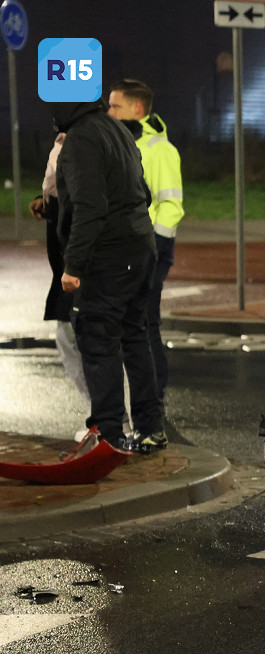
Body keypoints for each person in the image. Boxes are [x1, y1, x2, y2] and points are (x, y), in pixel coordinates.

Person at [50, 100, 166, 454]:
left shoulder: (81, 139)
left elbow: (91, 207)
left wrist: (73, 266)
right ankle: (150, 429)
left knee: (98, 341)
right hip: (140, 247)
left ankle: (109, 437)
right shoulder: (115, 128)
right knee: (134, 336)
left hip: (110, 256)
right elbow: (141, 193)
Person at [107, 78, 184, 401]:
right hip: (125, 250)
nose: (109, 112)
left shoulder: (160, 150)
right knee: (131, 325)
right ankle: (142, 395)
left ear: (136, 109)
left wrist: (155, 248)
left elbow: (170, 205)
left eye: (115, 106)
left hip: (148, 249)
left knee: (144, 323)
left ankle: (153, 394)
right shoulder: (124, 143)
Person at [29, 134, 91, 430]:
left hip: (79, 267)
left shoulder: (87, 138)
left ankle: (112, 422)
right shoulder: (64, 138)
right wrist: (47, 203)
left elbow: (85, 211)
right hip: (67, 265)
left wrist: (74, 266)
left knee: (87, 342)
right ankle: (105, 419)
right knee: (70, 339)